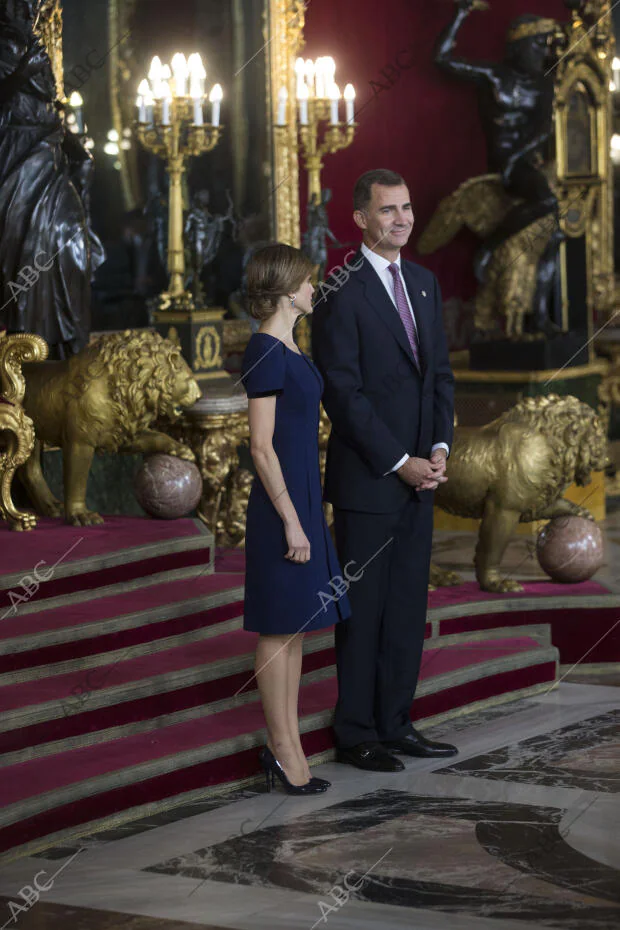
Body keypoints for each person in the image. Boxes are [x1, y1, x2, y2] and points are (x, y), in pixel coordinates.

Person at [311, 168, 458, 772]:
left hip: (423, 479)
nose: (401, 219)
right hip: (371, 482)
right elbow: (342, 394)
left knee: (405, 609)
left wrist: (440, 452)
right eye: (388, 210)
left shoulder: (423, 283)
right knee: (365, 612)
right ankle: (357, 732)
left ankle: (396, 722)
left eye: (407, 208)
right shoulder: (338, 290)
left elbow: (441, 378)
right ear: (361, 219)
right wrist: (401, 463)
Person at [240, 243, 352, 794]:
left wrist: (307, 512)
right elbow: (261, 447)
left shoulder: (289, 344)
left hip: (303, 501)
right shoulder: (264, 350)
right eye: (308, 281)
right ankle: (283, 750)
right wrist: (289, 519)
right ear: (288, 291)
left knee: (297, 629)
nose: (315, 288)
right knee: (279, 626)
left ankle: (289, 745)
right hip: (279, 507)